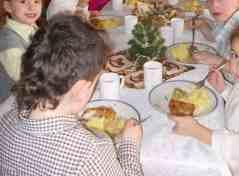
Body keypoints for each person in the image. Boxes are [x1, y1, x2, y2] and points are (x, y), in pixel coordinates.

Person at [0, 14, 143, 176]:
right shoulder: (90, 153)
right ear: (81, 90)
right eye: (94, 83)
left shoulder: (7, 119)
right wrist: (129, 146)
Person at [171, 17, 239, 176]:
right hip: (227, 144)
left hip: (238, 169)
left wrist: (197, 131)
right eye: (235, 55)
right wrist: (224, 90)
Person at [0, 0, 42, 83]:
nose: (32, 7)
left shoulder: (32, 26)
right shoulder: (8, 41)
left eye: (36, 1)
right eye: (23, 1)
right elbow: (23, 76)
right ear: (8, 7)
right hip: (15, 95)